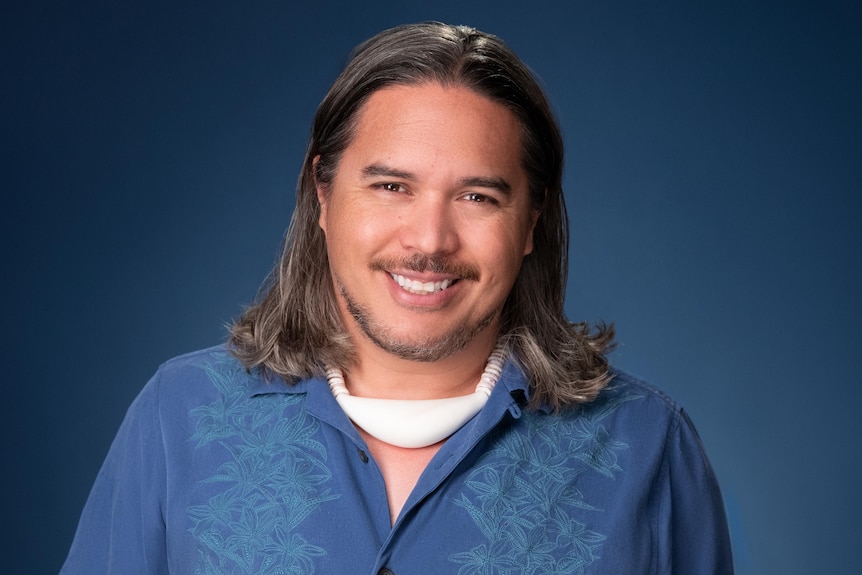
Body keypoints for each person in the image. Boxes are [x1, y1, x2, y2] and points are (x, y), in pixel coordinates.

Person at [61, 22, 733, 574]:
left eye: (477, 196)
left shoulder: (648, 445)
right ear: (322, 195)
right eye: (391, 187)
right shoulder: (178, 417)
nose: (429, 239)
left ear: (531, 223)